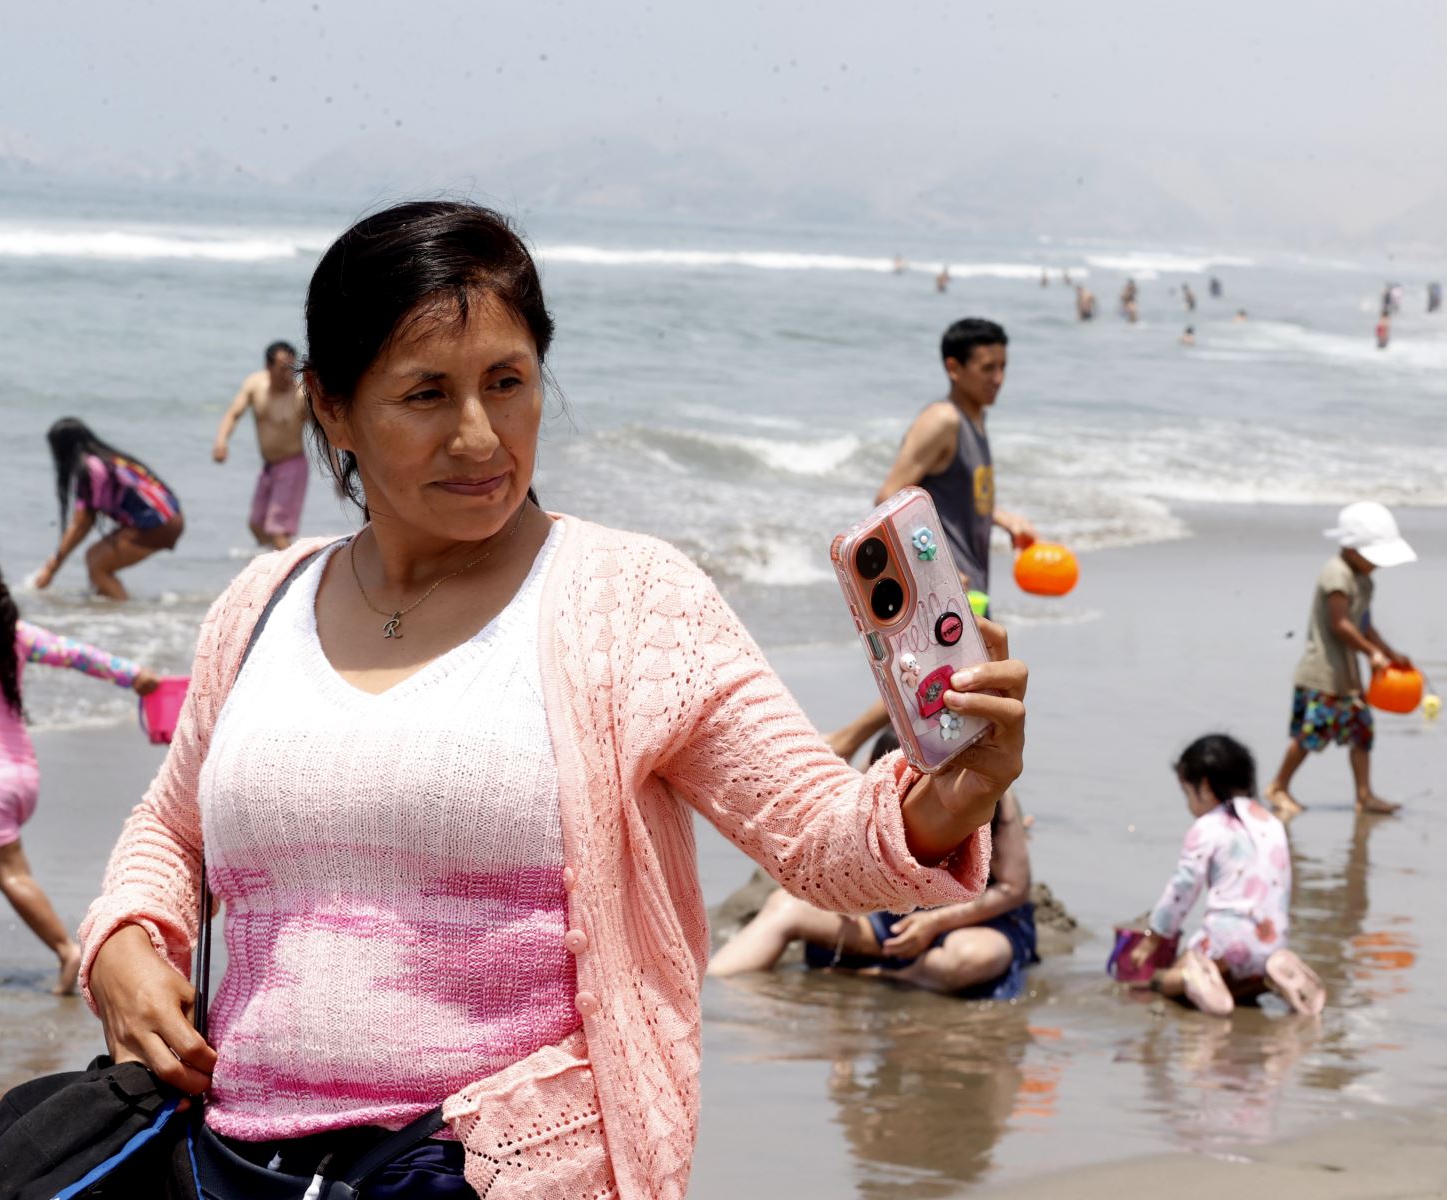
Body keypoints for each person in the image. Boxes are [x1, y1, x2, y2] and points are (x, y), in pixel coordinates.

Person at [76, 201, 1029, 1200]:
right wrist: (126, 940)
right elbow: (172, 824)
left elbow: (817, 836)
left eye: (507, 382)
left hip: (503, 1169)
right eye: (426, 394)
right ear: (333, 408)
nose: (479, 435)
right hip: (237, 1161)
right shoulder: (260, 605)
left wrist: (946, 798)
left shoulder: (632, 601)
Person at [0, 538, 159, 994]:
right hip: (23, 780)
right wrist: (131, 674)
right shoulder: (13, 636)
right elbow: (75, 654)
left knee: (10, 872)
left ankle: (67, 951)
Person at [709, 727, 1039, 1000]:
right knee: (785, 909)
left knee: (970, 959)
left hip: (971, 920)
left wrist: (934, 924)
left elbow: (1014, 888)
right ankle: (709, 991)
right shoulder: (883, 768)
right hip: (891, 916)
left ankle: (881, 977)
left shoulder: (989, 795)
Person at [1126, 735, 1326, 1018]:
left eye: (1187, 794)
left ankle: (1189, 981)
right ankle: (1270, 979)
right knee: (1247, 970)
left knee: (1162, 982)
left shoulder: (1207, 827)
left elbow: (1182, 889)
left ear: (1205, 787)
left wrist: (1153, 938)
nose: (1188, 805)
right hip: (1273, 941)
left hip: (1226, 945)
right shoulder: (1272, 823)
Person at [1266, 503, 1416, 818]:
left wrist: (1389, 652)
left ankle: (1364, 795)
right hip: (1323, 674)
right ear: (1351, 548)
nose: (1377, 565)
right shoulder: (1336, 574)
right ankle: (1278, 786)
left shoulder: (1364, 580)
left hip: (1348, 677)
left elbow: (1363, 624)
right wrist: (1371, 653)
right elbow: (1341, 624)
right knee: (1309, 735)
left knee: (1362, 732)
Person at [875, 317, 1037, 600]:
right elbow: (887, 501)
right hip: (944, 598)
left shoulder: (975, 419)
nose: (998, 379)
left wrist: (1001, 518)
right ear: (953, 368)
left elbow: (954, 499)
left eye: (1003, 367)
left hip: (971, 592)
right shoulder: (943, 420)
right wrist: (938, 569)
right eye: (988, 368)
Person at [32, 418, 184, 600]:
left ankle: (124, 616)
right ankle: (110, 613)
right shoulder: (110, 459)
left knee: (99, 566)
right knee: (93, 556)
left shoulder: (91, 469)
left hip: (159, 523)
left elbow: (82, 524)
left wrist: (52, 567)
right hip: (170, 518)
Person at [213, 340, 310, 551]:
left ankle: (290, 575)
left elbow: (326, 431)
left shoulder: (301, 395)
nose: (289, 374)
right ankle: (282, 561)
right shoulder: (255, 385)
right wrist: (221, 441)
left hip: (292, 466)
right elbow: (234, 414)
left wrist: (340, 473)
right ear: (268, 367)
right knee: (257, 525)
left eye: (292, 368)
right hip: (268, 467)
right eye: (283, 368)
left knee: (277, 530)